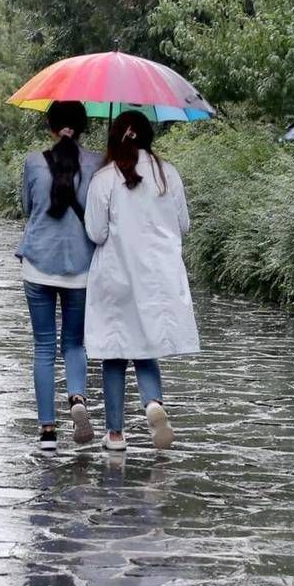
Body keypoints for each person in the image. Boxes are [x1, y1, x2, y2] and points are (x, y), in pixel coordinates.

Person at [84, 110, 199, 452]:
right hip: (157, 276)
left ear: (114, 138)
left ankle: (115, 434)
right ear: (149, 136)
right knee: (147, 348)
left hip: (116, 274)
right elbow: (184, 224)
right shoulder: (168, 174)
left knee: (115, 352)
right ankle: (152, 403)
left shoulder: (104, 178)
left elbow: (96, 231)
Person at [17, 101, 102, 451]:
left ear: (50, 126)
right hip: (81, 267)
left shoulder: (34, 161)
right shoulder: (98, 163)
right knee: (74, 343)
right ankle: (77, 397)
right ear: (82, 126)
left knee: (43, 347)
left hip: (38, 261)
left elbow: (27, 207)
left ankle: (47, 430)